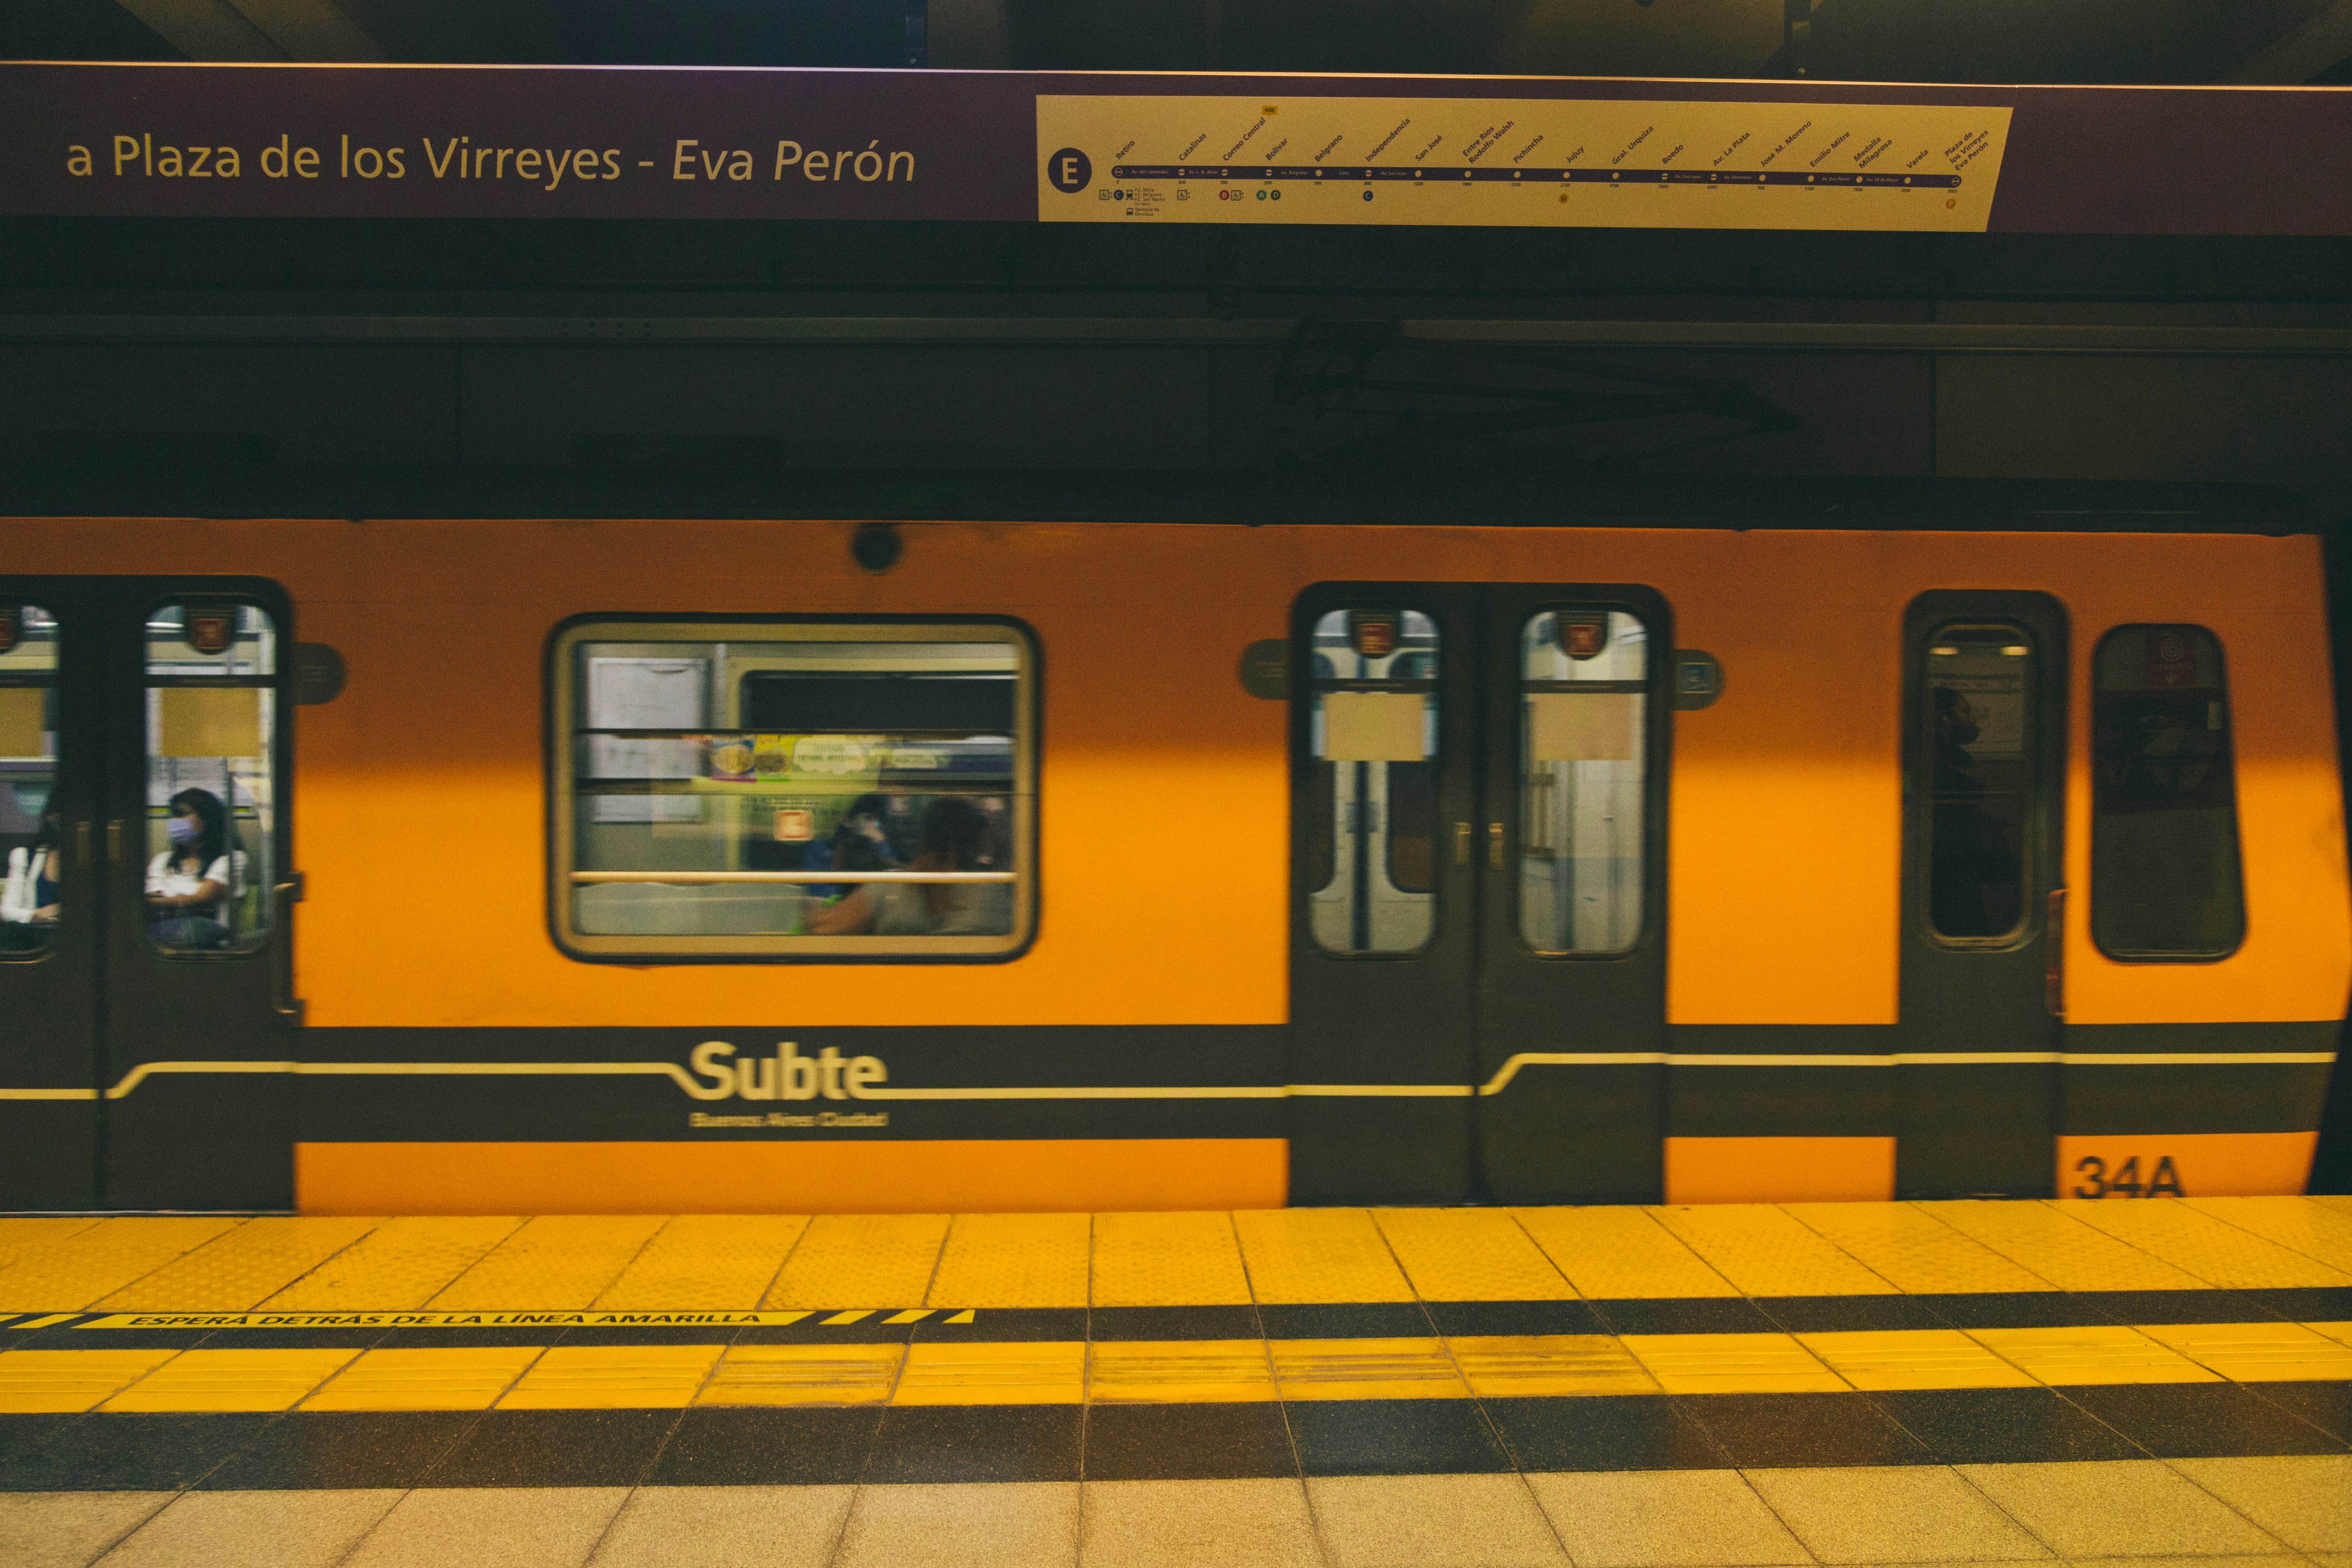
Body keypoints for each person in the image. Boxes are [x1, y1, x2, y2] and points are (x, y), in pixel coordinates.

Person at [808, 794, 1009, 936]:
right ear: (975, 846)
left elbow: (824, 929)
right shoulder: (995, 893)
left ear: (924, 840)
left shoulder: (888, 890)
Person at [145, 787, 238, 949]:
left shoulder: (230, 860)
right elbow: (153, 899)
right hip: (163, 944)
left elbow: (203, 897)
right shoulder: (163, 860)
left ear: (205, 820)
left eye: (182, 814)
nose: (176, 821)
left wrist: (159, 902)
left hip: (210, 946)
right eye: (174, 815)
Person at [803, 791, 899, 901]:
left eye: (875, 819)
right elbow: (819, 889)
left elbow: (893, 877)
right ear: (848, 821)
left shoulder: (879, 842)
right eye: (866, 818)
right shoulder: (823, 846)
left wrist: (880, 842)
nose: (871, 825)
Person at [0, 808, 62, 952]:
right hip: (36, 947)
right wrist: (35, 915)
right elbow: (6, 911)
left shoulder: (86, 861)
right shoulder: (25, 857)